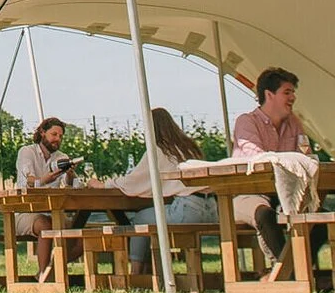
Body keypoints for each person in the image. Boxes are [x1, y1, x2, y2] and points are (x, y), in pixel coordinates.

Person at [114, 108, 219, 270]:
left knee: (142, 218)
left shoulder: (159, 150)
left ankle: (136, 273)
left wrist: (105, 184)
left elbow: (134, 182)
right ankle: (148, 271)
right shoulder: (189, 147)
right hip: (212, 210)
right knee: (152, 217)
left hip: (188, 210)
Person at [231, 67, 304, 259]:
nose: (293, 97)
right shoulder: (246, 122)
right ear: (269, 95)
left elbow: (305, 158)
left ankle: (289, 272)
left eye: (293, 92)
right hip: (247, 193)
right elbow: (258, 157)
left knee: (318, 217)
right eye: (287, 92)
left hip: (284, 193)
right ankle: (285, 272)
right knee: (265, 215)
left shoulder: (294, 123)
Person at [12, 118, 78, 281]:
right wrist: (46, 179)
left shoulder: (61, 157)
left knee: (80, 232)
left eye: (61, 136)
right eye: (54, 134)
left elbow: (72, 186)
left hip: (53, 211)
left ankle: (50, 272)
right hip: (25, 212)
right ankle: (44, 275)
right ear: (42, 133)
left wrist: (69, 176)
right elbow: (28, 180)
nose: (58, 139)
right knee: (45, 225)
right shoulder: (27, 152)